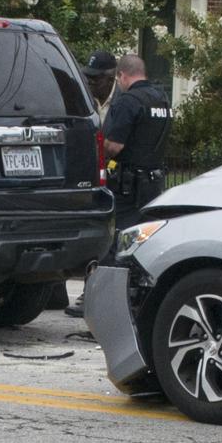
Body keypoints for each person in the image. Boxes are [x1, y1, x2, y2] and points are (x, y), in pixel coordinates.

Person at [67, 54, 171, 317]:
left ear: (122, 76)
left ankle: (99, 301)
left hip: (127, 184)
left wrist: (91, 153)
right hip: (152, 183)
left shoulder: (128, 101)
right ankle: (136, 298)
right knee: (142, 241)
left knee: (112, 243)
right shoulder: (161, 100)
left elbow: (114, 145)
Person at [53, 50, 117, 313]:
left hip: (113, 179)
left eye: (97, 78)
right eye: (88, 77)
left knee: (102, 240)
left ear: (112, 77)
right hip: (81, 176)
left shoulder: (122, 102)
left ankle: (92, 294)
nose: (91, 83)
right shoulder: (86, 100)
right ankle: (54, 292)